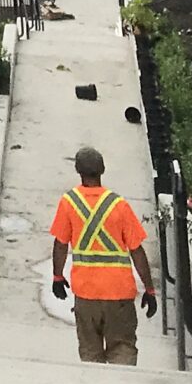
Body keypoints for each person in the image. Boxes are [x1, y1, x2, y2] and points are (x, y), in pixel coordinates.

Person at [50, 145, 157, 365]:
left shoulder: (69, 203)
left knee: (90, 353)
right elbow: (137, 251)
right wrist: (149, 289)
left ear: (78, 170)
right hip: (119, 294)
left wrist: (57, 277)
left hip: (86, 294)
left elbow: (60, 245)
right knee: (123, 349)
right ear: (103, 170)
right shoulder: (119, 205)